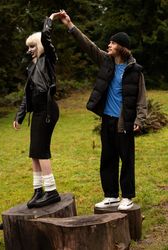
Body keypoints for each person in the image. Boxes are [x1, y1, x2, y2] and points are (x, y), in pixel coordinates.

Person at [59, 11, 147, 210]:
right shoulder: (105, 61)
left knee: (126, 159)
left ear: (122, 47)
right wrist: (70, 26)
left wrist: (139, 119)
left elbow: (142, 98)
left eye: (112, 43)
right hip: (107, 119)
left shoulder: (135, 71)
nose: (109, 45)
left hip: (124, 121)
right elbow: (88, 45)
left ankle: (127, 196)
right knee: (107, 158)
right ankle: (111, 195)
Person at [13, 13, 62, 208]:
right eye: (28, 47)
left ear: (40, 45)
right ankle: (38, 190)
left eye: (33, 46)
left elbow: (46, 37)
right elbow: (27, 94)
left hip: (48, 110)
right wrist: (20, 115)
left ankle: (51, 191)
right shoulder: (31, 67)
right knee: (34, 152)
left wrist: (50, 19)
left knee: (42, 151)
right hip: (38, 112)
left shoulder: (48, 59)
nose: (30, 50)